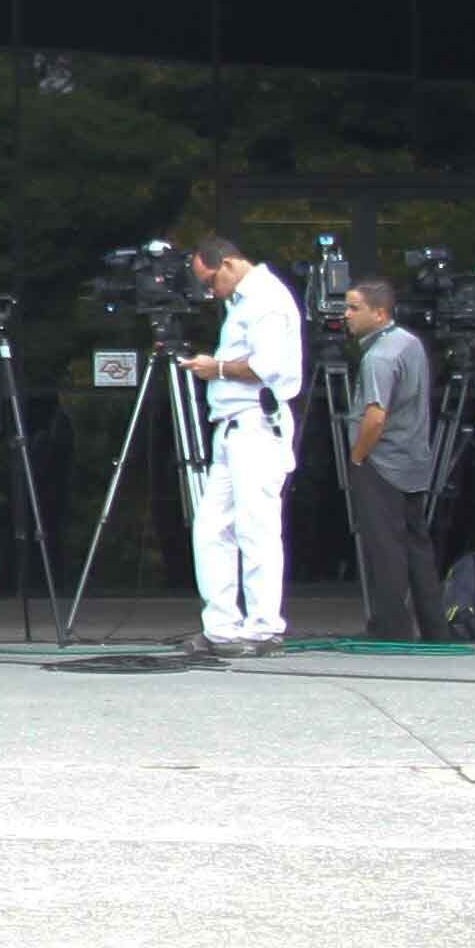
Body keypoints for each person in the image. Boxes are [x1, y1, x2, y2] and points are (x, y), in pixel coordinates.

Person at [176, 227, 306, 657]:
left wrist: (218, 368)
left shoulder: (266, 300)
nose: (211, 292)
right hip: (232, 428)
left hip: (256, 424)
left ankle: (264, 625)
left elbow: (267, 366)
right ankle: (223, 626)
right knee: (212, 527)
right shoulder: (243, 302)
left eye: (211, 281)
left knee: (256, 527)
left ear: (228, 264)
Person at [338, 278, 439, 642]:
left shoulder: (380, 355)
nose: (346, 315)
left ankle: (392, 628)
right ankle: (434, 627)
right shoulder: (410, 344)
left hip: (382, 462)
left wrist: (358, 455)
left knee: (384, 547)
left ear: (379, 313)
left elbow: (376, 415)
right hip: (413, 459)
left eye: (354, 307)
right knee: (416, 545)